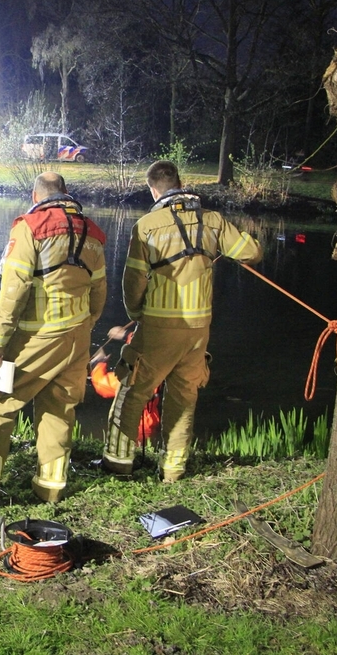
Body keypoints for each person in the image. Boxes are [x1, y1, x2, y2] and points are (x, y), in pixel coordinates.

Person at [102, 160, 262, 483]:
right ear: (180, 182)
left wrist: (135, 314)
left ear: (152, 189)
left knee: (132, 391)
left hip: (159, 327)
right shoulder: (212, 221)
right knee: (184, 398)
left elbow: (132, 282)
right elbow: (253, 252)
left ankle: (118, 463)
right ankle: (173, 470)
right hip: (198, 331)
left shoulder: (146, 226)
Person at [0, 172, 106, 503]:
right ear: (67, 193)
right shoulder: (93, 233)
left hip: (33, 339)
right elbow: (99, 290)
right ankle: (50, 488)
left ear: (35, 195)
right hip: (77, 337)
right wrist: (87, 325)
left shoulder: (30, 228)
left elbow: (13, 291)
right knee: (60, 410)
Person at [89, 325, 160, 447]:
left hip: (138, 423)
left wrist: (98, 364)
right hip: (150, 418)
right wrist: (126, 334)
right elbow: (142, 343)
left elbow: (103, 385)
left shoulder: (135, 375)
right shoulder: (156, 359)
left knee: (127, 448)